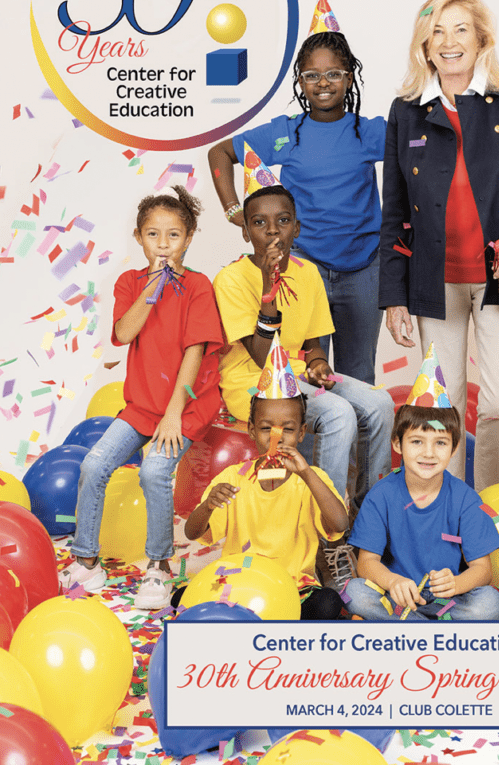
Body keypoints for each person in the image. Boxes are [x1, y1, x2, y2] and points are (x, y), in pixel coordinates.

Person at [380, 0, 499, 490]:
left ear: (481, 37)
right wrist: (393, 296)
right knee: (445, 408)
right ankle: (447, 510)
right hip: (432, 282)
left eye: (460, 28)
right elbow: (394, 212)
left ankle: (485, 508)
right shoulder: (406, 110)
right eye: (437, 30)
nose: (449, 41)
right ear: (424, 44)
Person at [212, 183, 393, 585]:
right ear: (245, 230)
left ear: (298, 227)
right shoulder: (231, 279)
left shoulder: (308, 272)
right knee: (337, 413)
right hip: (255, 384)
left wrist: (316, 364)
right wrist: (266, 285)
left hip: (297, 376)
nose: (272, 232)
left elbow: (312, 342)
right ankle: (328, 540)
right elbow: (262, 357)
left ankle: (367, 523)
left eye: (282, 221)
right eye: (259, 223)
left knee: (379, 403)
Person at [58, 186, 223, 609]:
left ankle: (159, 567)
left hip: (185, 406)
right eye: (153, 235)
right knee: (94, 464)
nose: (163, 245)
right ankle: (86, 560)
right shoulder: (130, 283)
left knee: (153, 472)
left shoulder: (198, 286)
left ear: (188, 239)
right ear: (139, 238)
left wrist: (173, 415)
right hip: (142, 404)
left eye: (173, 235)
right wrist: (151, 289)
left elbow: (195, 352)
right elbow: (125, 332)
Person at [208, 0, 386, 383]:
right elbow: (220, 154)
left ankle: (357, 445)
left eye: (334, 73)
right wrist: (235, 213)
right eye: (312, 76)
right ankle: (308, 446)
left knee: (358, 375)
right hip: (304, 267)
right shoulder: (284, 133)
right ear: (300, 82)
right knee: (305, 374)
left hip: (364, 269)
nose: (323, 83)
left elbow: (423, 159)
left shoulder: (370, 131)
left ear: (349, 76)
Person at [184, 337, 348, 620]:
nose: (276, 436)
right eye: (265, 428)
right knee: (183, 598)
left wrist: (307, 474)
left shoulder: (312, 479)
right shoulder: (232, 477)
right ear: (250, 430)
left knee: (328, 604)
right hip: (241, 585)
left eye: (287, 428)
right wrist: (208, 505)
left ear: (301, 433)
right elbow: (192, 533)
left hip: (294, 585)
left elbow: (340, 524)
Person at [344, 348, 499, 622]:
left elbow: (482, 569)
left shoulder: (465, 499)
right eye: (417, 441)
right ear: (398, 444)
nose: (428, 453)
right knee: (355, 593)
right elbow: (366, 563)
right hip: (397, 599)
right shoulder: (381, 495)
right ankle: (431, 632)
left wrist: (457, 584)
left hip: (449, 600)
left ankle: (411, 629)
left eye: (440, 443)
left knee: (489, 603)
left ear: (454, 448)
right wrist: (394, 581)